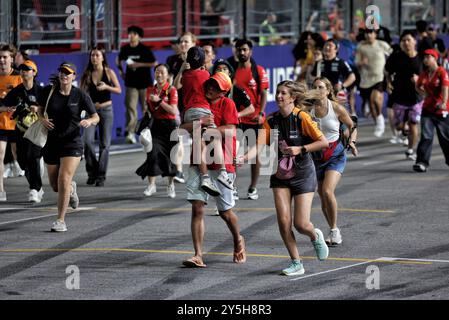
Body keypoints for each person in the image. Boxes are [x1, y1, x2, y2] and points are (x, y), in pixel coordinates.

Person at [240, 80, 329, 276]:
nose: (279, 96)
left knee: (301, 224)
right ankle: (296, 262)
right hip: (280, 173)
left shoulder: (302, 118)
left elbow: (323, 142)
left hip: (303, 173)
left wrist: (300, 148)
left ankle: (315, 235)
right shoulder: (271, 121)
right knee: (283, 221)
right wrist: (244, 157)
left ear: (293, 97)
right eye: (277, 92)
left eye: (283, 93)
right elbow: (260, 144)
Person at [181, 72, 246, 268]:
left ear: (224, 92)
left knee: (226, 212)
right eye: (209, 84)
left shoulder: (228, 105)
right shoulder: (198, 103)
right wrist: (199, 124)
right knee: (197, 208)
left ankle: (238, 240)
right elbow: (182, 128)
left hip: (222, 163)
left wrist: (209, 130)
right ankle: (198, 255)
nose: (210, 88)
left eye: (215, 87)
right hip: (198, 161)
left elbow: (231, 130)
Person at [38, 62, 99, 232]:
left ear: (74, 76)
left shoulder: (80, 95)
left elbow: (96, 117)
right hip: (52, 141)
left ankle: (60, 220)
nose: (64, 75)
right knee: (56, 185)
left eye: (68, 73)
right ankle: (71, 189)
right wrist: (41, 118)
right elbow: (39, 109)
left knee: (64, 178)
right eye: (62, 72)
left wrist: (89, 121)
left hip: (72, 142)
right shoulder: (49, 92)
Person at [175, 46, 234, 196]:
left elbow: (176, 86)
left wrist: (182, 69)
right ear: (203, 63)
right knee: (214, 138)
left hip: (188, 113)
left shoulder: (185, 75)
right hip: (202, 110)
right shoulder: (206, 74)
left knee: (200, 142)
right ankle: (220, 173)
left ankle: (207, 177)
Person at [310, 77, 358, 246]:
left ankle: (335, 231)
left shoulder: (336, 108)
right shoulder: (309, 110)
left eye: (321, 87)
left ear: (328, 90)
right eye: (315, 87)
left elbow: (352, 125)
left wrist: (351, 141)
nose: (318, 89)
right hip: (316, 157)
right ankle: (332, 228)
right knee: (322, 195)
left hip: (335, 155)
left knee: (328, 191)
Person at [211, 58, 254, 204]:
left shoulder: (237, 90)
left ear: (230, 72)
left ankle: (232, 186)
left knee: (232, 160)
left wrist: (236, 115)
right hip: (217, 132)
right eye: (218, 69)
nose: (221, 71)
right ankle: (221, 194)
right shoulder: (210, 91)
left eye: (224, 69)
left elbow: (251, 108)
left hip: (234, 131)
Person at [2, 59, 44, 202]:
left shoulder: (41, 90)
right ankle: (37, 186)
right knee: (21, 160)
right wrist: (6, 108)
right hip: (20, 130)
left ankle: (34, 189)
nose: (24, 72)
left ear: (34, 72)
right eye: (22, 69)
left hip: (37, 130)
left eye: (27, 69)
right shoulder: (17, 91)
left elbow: (51, 108)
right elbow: (2, 104)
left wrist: (38, 109)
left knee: (33, 157)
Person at [135, 63, 179, 198]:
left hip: (170, 126)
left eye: (162, 72)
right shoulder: (149, 90)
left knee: (171, 156)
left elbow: (173, 110)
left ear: (167, 75)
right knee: (152, 153)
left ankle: (171, 185)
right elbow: (146, 108)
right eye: (157, 72)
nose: (159, 74)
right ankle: (151, 185)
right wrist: (146, 111)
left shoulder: (172, 90)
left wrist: (159, 101)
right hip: (156, 126)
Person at [233, 38, 269, 200]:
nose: (242, 52)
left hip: (255, 120)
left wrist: (261, 113)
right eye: (239, 50)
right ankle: (231, 187)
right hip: (238, 120)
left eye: (245, 50)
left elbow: (263, 94)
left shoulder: (259, 71)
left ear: (250, 52)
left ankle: (253, 187)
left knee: (256, 156)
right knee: (233, 155)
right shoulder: (232, 72)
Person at [81, 47, 122, 187]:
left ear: (103, 58)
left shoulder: (109, 72)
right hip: (91, 112)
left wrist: (106, 87)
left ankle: (101, 175)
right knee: (87, 141)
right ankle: (92, 172)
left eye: (97, 55)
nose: (94, 57)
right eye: (92, 55)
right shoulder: (87, 74)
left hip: (106, 109)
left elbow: (118, 90)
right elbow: (81, 93)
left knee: (105, 144)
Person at [385, 30, 423, 161]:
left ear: (414, 41)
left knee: (414, 125)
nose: (406, 43)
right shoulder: (396, 57)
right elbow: (387, 71)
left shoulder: (421, 58)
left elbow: (429, 74)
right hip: (399, 96)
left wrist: (419, 80)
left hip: (416, 98)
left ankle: (411, 150)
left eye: (408, 40)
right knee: (398, 126)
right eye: (403, 40)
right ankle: (404, 128)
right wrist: (388, 83)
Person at [117, 25, 157, 144]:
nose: (131, 36)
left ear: (139, 36)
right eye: (129, 34)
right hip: (131, 83)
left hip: (145, 83)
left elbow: (154, 63)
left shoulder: (144, 49)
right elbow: (118, 60)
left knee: (146, 109)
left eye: (133, 34)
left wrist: (138, 65)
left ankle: (147, 131)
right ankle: (130, 133)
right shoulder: (125, 49)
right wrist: (121, 72)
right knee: (131, 108)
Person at [166, 32, 198, 184]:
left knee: (198, 140)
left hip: (195, 104)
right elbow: (174, 85)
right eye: (181, 42)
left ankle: (199, 169)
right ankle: (178, 170)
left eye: (186, 42)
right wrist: (182, 70)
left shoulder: (198, 59)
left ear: (193, 43)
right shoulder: (173, 60)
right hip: (179, 105)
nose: (183, 44)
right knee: (178, 138)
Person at [414, 49, 449, 172]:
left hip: (441, 111)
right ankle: (422, 162)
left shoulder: (441, 72)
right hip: (427, 109)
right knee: (426, 136)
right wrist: (423, 94)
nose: (425, 60)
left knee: (445, 138)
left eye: (429, 57)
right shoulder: (424, 73)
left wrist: (444, 102)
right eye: (424, 57)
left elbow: (445, 88)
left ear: (435, 58)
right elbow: (417, 86)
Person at [355, 28, 392, 138]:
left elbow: (393, 54)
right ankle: (378, 121)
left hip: (379, 77)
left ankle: (380, 119)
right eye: (366, 33)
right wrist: (362, 62)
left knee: (375, 98)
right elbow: (357, 63)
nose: (368, 35)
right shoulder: (361, 46)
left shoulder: (382, 44)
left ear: (375, 34)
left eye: (371, 33)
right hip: (366, 79)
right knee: (371, 104)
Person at [0, 43, 23, 201]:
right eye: (0, 57)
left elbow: (24, 99)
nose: (1, 60)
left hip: (15, 123)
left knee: (19, 156)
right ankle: (1, 190)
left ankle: (35, 186)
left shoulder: (18, 77)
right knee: (0, 154)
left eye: (5, 57)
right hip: (0, 123)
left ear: (12, 59)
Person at [310, 38, 356, 111]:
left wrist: (342, 86)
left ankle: (349, 114)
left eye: (330, 46)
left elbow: (352, 77)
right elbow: (312, 77)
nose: (327, 47)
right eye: (326, 45)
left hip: (336, 92)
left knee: (339, 108)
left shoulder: (340, 62)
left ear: (336, 49)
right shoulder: (319, 63)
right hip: (323, 93)